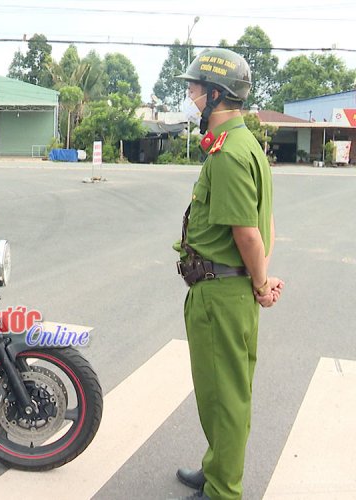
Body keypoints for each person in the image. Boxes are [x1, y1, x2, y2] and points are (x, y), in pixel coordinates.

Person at [173, 48, 284, 500]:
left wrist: (260, 283)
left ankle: (223, 491)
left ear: (217, 94)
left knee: (225, 401)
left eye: (195, 87)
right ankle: (216, 467)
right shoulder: (243, 145)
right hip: (227, 290)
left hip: (222, 294)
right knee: (221, 394)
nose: (191, 94)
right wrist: (259, 279)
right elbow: (267, 222)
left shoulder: (229, 156)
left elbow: (248, 234)